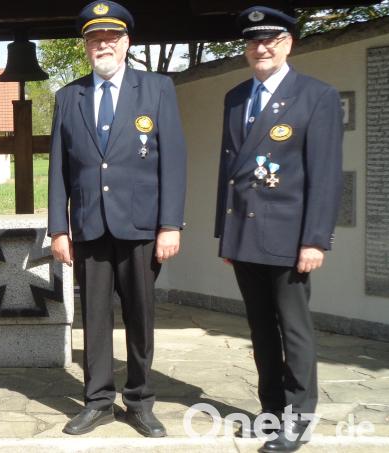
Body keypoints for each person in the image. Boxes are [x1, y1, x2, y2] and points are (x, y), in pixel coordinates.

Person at [48, 0, 186, 437]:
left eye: (110, 37)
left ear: (127, 42)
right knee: (94, 318)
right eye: (94, 39)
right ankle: (98, 401)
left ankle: (141, 401)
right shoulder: (69, 96)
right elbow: (59, 168)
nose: (102, 44)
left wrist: (170, 225)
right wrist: (58, 228)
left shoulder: (157, 88)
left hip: (142, 225)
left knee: (140, 316)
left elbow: (174, 162)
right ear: (85, 46)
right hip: (89, 226)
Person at [214, 6, 342, 452]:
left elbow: (324, 176)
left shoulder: (315, 96)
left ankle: (298, 420)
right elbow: (228, 170)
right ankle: (270, 413)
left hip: (289, 239)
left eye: (270, 39)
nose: (261, 48)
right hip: (245, 236)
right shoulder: (235, 96)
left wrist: (314, 239)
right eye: (253, 41)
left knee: (294, 331)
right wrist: (224, 233)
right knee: (260, 331)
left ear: (289, 43)